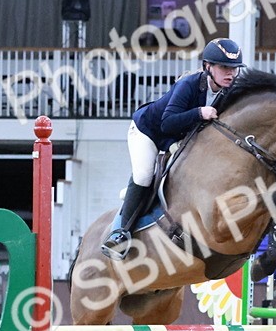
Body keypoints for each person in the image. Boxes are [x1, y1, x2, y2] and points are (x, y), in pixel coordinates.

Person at [100, 37, 246, 259]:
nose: (231, 74)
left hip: (177, 138)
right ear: (208, 67)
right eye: (225, 67)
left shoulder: (229, 91)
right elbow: (167, 122)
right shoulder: (188, 84)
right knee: (144, 175)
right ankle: (120, 233)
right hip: (148, 131)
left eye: (234, 69)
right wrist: (199, 112)